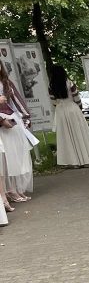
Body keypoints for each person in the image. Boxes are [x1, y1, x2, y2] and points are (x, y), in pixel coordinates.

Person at [50, 65, 89, 168]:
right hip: (72, 109)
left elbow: (53, 101)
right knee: (79, 134)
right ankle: (86, 160)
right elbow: (77, 98)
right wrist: (79, 108)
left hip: (60, 111)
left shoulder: (51, 86)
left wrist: (60, 105)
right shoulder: (70, 83)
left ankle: (73, 163)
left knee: (66, 136)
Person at [0, 62, 35, 203]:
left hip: (12, 120)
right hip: (2, 124)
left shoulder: (6, 82)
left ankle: (16, 188)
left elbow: (17, 101)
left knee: (16, 157)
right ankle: (9, 190)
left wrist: (25, 117)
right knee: (6, 160)